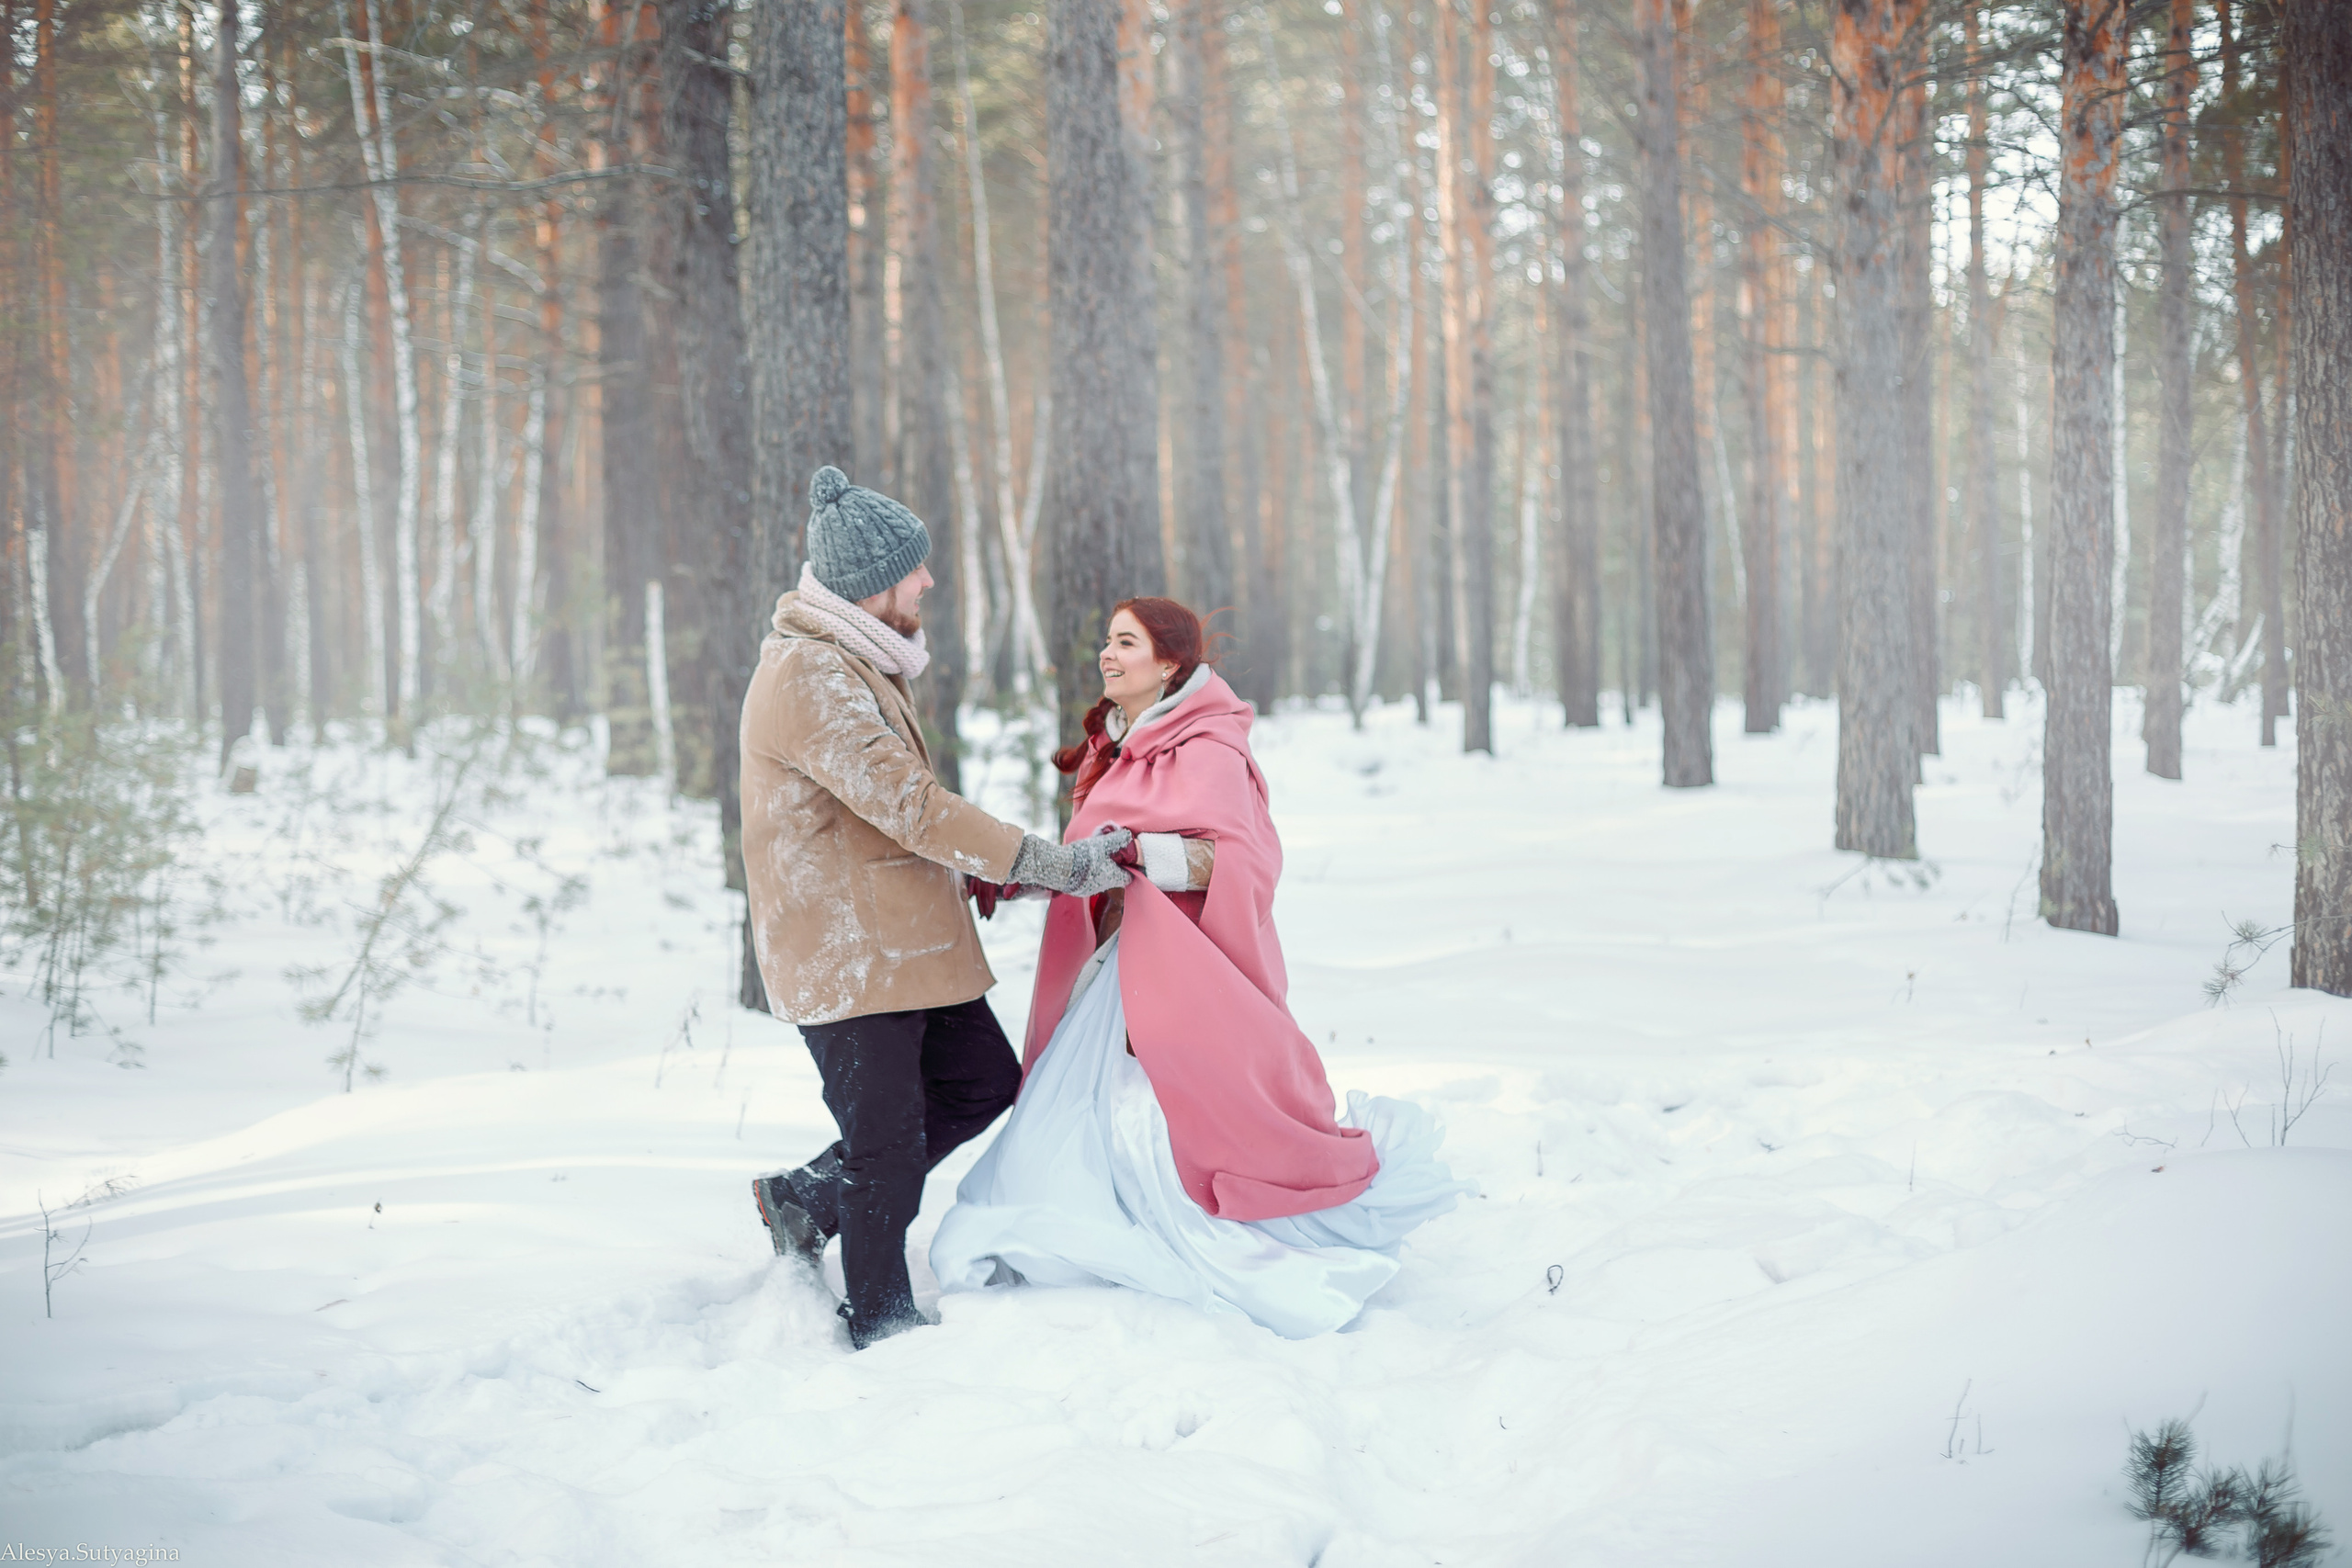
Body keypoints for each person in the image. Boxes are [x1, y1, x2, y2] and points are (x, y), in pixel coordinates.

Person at [929, 597, 1472, 1339]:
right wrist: (1022, 880)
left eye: (1127, 642)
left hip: (1179, 976)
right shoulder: (1119, 746)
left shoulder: (1209, 746)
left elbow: (1241, 859)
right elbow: (1090, 857)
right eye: (1108, 640)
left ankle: (1182, 1239)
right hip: (1113, 976)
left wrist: (1137, 853)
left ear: (1169, 663)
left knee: (1165, 1122)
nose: (1108, 655)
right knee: (1070, 1116)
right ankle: (1084, 1228)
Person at [740, 465, 1132, 1349]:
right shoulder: (811, 675)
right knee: (885, 1142)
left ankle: (803, 1197)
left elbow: (882, 817)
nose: (926, 580)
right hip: (849, 951)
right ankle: (880, 1317)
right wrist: (1055, 864)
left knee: (980, 1082)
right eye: (911, 569)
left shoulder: (852, 659)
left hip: (901, 941)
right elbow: (910, 806)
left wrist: (999, 872)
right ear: (871, 584)